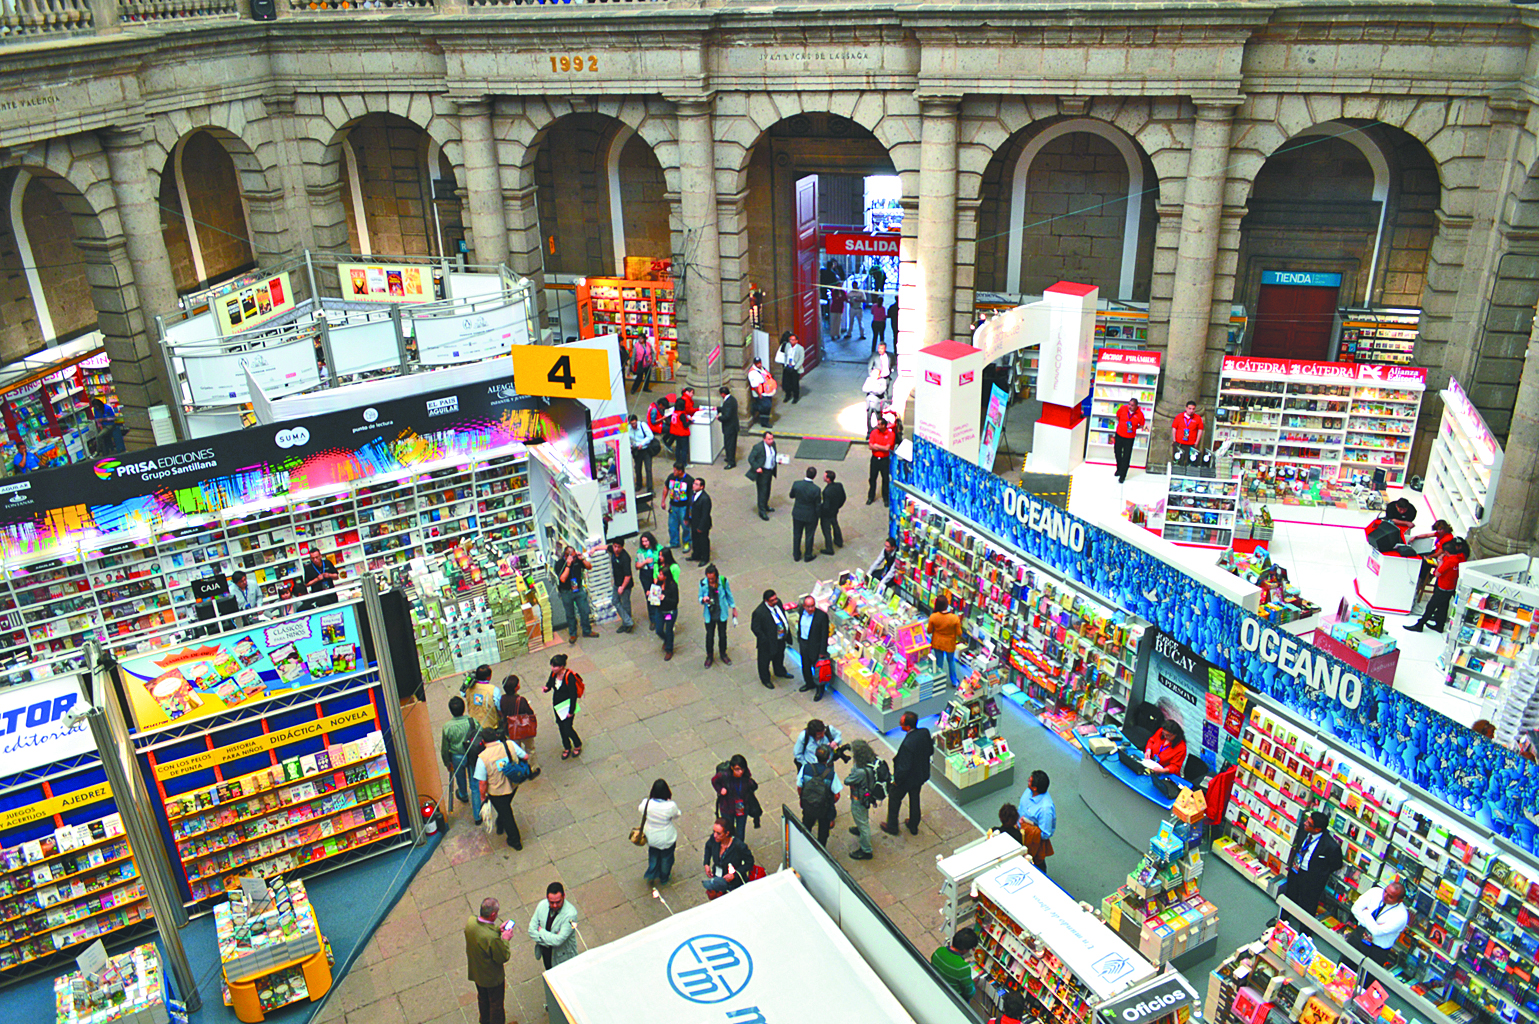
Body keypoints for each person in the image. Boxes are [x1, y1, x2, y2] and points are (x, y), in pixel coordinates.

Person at [475, 723, 535, 850]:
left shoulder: (482, 758)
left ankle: (515, 840)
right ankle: (500, 824)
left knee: (507, 813)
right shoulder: (509, 744)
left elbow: (482, 783)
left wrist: (482, 797)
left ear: (484, 741)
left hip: (497, 791)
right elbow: (525, 756)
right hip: (513, 784)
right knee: (505, 808)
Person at [1284, 811, 1345, 919]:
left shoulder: (1331, 846)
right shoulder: (1303, 830)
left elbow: (1336, 864)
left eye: (1309, 823)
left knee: (1308, 905)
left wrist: (1320, 872)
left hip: (1312, 879)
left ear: (1317, 829)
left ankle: (1305, 931)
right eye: (1307, 820)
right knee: (1289, 895)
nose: (1305, 823)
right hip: (1296, 870)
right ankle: (1282, 919)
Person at [883, 711, 934, 836]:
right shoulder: (924, 732)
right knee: (915, 798)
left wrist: (896, 781)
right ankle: (913, 825)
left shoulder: (907, 745)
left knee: (894, 798)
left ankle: (892, 826)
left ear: (907, 726)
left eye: (901, 723)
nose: (900, 725)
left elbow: (904, 768)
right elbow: (930, 750)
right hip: (920, 775)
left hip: (907, 779)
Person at [465, 896, 513, 1024]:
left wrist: (497, 930)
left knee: (483, 999)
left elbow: (482, 935)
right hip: (492, 979)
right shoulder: (492, 938)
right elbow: (503, 956)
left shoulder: (471, 922)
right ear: (493, 914)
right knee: (496, 1005)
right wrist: (505, 939)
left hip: (477, 973)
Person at [1406, 536, 1469, 633]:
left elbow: (1437, 573)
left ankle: (1420, 624)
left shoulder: (1449, 561)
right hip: (1450, 587)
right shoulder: (1459, 559)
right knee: (1443, 606)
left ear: (1447, 552)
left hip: (1443, 587)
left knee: (1431, 606)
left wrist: (1440, 562)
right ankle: (1440, 625)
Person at [441, 695, 483, 825]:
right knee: (475, 785)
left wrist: (447, 762)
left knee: (460, 778)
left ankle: (463, 794)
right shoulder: (472, 721)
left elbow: (445, 747)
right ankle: (477, 815)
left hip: (457, 756)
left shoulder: (447, 727)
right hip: (472, 755)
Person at [1350, 882, 1409, 966]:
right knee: (1343, 966)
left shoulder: (1401, 916)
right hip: (1359, 935)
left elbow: (1376, 932)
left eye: (1390, 896)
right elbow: (1355, 909)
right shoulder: (1375, 892)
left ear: (1399, 901)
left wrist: (1366, 913)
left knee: (1366, 977)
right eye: (1385, 891)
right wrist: (1373, 926)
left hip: (1376, 950)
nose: (1385, 896)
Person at [639, 779, 682, 885]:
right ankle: (664, 877)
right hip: (666, 838)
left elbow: (640, 809)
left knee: (653, 856)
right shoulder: (670, 806)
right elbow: (677, 815)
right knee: (666, 858)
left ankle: (651, 874)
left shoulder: (646, 803)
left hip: (651, 837)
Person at [798, 744, 842, 845]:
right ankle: (821, 851)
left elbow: (799, 786)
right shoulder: (831, 774)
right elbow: (837, 795)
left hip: (808, 805)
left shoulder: (806, 768)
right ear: (828, 758)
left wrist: (802, 799)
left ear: (815, 755)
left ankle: (804, 844)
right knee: (823, 831)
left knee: (806, 825)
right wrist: (829, 801)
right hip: (824, 809)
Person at [528, 882, 579, 970]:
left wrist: (541, 931)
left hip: (564, 958)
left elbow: (558, 941)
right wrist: (551, 940)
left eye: (558, 902)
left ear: (564, 896)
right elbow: (531, 930)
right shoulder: (542, 905)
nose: (555, 905)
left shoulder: (571, 915)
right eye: (551, 902)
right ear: (547, 898)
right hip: (547, 954)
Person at [751, 589, 793, 690]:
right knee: (764, 661)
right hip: (767, 643)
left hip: (780, 638)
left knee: (779, 656)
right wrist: (764, 639)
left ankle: (780, 671)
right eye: (772, 600)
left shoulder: (778, 604)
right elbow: (755, 628)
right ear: (766, 601)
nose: (775, 601)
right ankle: (765, 679)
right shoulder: (759, 612)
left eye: (775, 599)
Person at [845, 739, 880, 860]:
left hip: (859, 798)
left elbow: (847, 780)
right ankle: (860, 829)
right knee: (862, 819)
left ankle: (866, 850)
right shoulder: (872, 761)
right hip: (867, 796)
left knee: (863, 823)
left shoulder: (860, 772)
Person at [555, 545, 597, 644]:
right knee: (570, 614)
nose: (574, 559)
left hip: (578, 589)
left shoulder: (578, 560)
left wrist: (582, 559)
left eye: (575, 556)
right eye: (572, 557)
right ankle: (573, 633)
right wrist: (568, 565)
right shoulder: (560, 564)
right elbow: (562, 578)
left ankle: (587, 630)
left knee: (584, 610)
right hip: (567, 592)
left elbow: (589, 567)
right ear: (566, 556)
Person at [702, 818, 756, 894]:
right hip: (718, 877)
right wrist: (706, 863)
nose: (715, 835)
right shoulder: (714, 839)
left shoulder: (739, 846)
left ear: (727, 833)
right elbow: (708, 847)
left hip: (733, 883)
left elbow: (749, 862)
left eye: (718, 833)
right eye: (714, 832)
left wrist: (734, 875)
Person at [544, 653, 583, 760]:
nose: (552, 668)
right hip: (557, 704)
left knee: (568, 728)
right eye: (552, 666)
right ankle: (566, 746)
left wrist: (571, 711)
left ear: (562, 666)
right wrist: (547, 688)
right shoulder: (553, 674)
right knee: (561, 727)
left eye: (555, 666)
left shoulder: (569, 677)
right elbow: (550, 683)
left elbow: (573, 695)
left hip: (567, 705)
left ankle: (577, 744)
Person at [698, 563, 736, 668]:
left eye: (712, 578)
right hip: (709, 613)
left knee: (722, 635)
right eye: (708, 578)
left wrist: (733, 607)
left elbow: (729, 594)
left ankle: (723, 653)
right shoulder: (702, 583)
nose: (710, 580)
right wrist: (703, 599)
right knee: (709, 636)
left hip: (721, 612)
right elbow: (699, 597)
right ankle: (709, 656)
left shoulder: (723, 581)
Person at [711, 754, 759, 839]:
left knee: (740, 831)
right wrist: (720, 789)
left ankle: (739, 848)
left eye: (742, 769)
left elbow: (752, 787)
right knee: (728, 830)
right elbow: (714, 781)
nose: (740, 772)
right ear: (732, 768)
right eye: (737, 769)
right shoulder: (724, 775)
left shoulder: (745, 776)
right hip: (727, 808)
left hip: (742, 807)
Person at [1017, 769, 1056, 870]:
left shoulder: (1045, 809)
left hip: (1032, 841)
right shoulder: (1028, 792)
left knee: (1036, 864)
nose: (1028, 781)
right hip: (1018, 832)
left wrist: (1028, 827)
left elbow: (1045, 833)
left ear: (1035, 788)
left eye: (1029, 781)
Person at [796, 594, 831, 700]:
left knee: (818, 669)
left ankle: (820, 690)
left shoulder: (821, 616)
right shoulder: (801, 612)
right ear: (804, 607)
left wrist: (822, 651)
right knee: (805, 665)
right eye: (808, 607)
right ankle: (809, 683)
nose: (811, 609)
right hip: (804, 643)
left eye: (812, 606)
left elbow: (824, 634)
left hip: (815, 646)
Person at [499, 675, 537, 766]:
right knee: (530, 749)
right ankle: (532, 767)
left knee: (515, 750)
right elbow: (529, 712)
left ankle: (520, 767)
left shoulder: (502, 699)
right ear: (516, 687)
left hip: (510, 729)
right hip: (523, 729)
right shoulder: (521, 700)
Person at [930, 928, 978, 1001]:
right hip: (952, 997)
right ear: (965, 949)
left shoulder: (939, 951)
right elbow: (969, 993)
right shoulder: (962, 968)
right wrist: (973, 983)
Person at [926, 595, 964, 687]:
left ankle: (939, 681)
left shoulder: (933, 617)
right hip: (950, 644)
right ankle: (954, 681)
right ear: (947, 605)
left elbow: (929, 631)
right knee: (951, 661)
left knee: (939, 661)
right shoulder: (955, 618)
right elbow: (959, 633)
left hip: (937, 642)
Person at [789, 466, 822, 562]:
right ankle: (808, 555)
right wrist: (818, 515)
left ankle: (796, 554)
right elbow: (817, 505)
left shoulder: (797, 484)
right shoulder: (816, 489)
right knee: (809, 535)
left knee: (797, 534)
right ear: (814, 476)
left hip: (798, 513)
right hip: (810, 515)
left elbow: (791, 495)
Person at [745, 431, 779, 521]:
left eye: (772, 439)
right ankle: (762, 511)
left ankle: (765, 505)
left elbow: (773, 455)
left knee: (768, 489)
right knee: (762, 491)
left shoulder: (773, 445)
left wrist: (778, 460)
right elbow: (751, 458)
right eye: (769, 439)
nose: (771, 441)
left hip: (770, 471)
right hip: (762, 472)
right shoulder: (758, 447)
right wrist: (757, 467)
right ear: (764, 439)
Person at [461, 664, 503, 733]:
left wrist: (468, 680)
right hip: (491, 726)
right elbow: (499, 708)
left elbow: (462, 693)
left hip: (475, 726)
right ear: (489, 677)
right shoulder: (494, 690)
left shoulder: (468, 688)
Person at [1114, 396, 1145, 484]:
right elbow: (1117, 417)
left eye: (1132, 405)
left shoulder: (1140, 414)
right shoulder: (1123, 409)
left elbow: (1142, 425)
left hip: (1129, 438)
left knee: (1126, 456)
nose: (1130, 406)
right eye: (1129, 404)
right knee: (1117, 452)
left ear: (1136, 406)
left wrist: (1134, 428)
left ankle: (1123, 476)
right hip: (1119, 434)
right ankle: (1119, 469)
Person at [636, 532, 661, 635]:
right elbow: (637, 566)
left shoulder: (658, 548)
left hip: (656, 573)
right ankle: (653, 619)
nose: (645, 543)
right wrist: (645, 562)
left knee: (659, 595)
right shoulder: (640, 551)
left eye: (646, 541)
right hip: (645, 574)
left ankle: (661, 616)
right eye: (643, 542)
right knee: (650, 596)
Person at [664, 463, 694, 550]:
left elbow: (691, 497)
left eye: (675, 470)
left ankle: (687, 542)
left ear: (680, 471)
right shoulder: (671, 477)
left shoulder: (689, 480)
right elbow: (666, 487)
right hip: (673, 505)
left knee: (685, 526)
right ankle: (674, 542)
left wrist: (689, 511)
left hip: (684, 507)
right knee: (672, 525)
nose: (673, 472)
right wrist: (663, 500)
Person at [867, 415, 896, 505]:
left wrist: (877, 446)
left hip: (884, 460)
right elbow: (870, 446)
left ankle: (886, 498)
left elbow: (887, 448)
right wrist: (879, 447)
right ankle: (871, 497)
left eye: (879, 424)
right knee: (872, 479)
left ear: (884, 425)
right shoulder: (874, 433)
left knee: (885, 479)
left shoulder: (891, 434)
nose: (877, 425)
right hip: (875, 459)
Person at [656, 555, 680, 661]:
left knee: (669, 630)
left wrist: (664, 598)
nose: (659, 576)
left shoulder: (673, 586)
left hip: (669, 612)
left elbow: (675, 601)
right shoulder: (658, 583)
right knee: (659, 629)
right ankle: (666, 640)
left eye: (661, 574)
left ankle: (669, 649)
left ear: (665, 576)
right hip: (660, 610)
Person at [609, 538, 635, 634]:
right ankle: (628, 621)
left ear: (622, 547)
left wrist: (622, 587)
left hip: (625, 585)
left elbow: (628, 575)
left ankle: (627, 623)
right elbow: (605, 547)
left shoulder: (625, 558)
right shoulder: (613, 550)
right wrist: (594, 549)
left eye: (618, 547)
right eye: (615, 546)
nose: (616, 549)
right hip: (617, 583)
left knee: (625, 603)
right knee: (615, 601)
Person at [818, 469, 846, 554]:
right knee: (835, 525)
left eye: (825, 476)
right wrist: (838, 506)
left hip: (827, 514)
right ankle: (839, 541)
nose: (823, 477)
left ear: (828, 479)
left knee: (826, 530)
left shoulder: (827, 491)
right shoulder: (839, 485)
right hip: (835, 510)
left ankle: (829, 548)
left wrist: (820, 511)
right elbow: (843, 497)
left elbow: (826, 506)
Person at [628, 413, 657, 494]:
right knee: (637, 468)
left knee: (648, 469)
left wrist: (642, 443)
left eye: (634, 423)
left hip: (645, 450)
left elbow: (650, 436)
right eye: (631, 424)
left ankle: (650, 488)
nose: (633, 425)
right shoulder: (628, 428)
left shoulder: (642, 425)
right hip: (636, 451)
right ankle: (639, 484)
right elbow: (626, 437)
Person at [688, 478, 713, 565]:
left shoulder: (705, 499)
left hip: (702, 524)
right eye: (694, 483)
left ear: (702, 487)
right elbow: (689, 506)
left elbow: (705, 514)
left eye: (696, 484)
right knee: (695, 539)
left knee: (703, 541)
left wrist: (701, 527)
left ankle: (705, 558)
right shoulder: (692, 493)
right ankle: (696, 554)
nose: (693, 485)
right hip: (693, 522)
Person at [747, 356, 775, 428]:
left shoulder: (762, 368)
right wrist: (759, 394)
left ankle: (765, 420)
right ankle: (764, 422)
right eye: (757, 363)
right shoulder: (753, 373)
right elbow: (755, 386)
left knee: (767, 407)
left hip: (767, 392)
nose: (759, 364)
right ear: (754, 363)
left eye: (760, 362)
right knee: (765, 407)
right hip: (761, 393)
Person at [717, 385, 740, 469]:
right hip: (731, 426)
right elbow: (726, 409)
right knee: (728, 444)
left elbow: (727, 416)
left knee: (730, 445)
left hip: (730, 427)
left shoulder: (729, 402)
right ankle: (729, 457)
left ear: (723, 394)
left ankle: (731, 462)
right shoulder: (732, 399)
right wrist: (718, 409)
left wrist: (719, 418)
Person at [666, 396, 692, 464]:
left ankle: (678, 461)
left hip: (676, 433)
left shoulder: (674, 413)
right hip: (682, 433)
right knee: (684, 449)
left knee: (678, 448)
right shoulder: (682, 414)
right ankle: (684, 463)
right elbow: (685, 425)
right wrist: (690, 421)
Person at [781, 331, 804, 404]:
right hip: (788, 366)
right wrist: (785, 364)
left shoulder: (800, 348)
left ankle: (795, 397)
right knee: (787, 383)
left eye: (793, 340)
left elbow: (801, 359)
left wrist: (795, 367)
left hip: (795, 368)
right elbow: (785, 355)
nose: (791, 341)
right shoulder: (787, 346)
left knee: (795, 383)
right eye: (790, 339)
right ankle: (787, 396)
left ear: (796, 341)